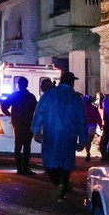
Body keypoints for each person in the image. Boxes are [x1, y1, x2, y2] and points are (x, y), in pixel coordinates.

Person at [31, 71, 87, 200]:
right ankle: (61, 191)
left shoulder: (49, 95)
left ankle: (58, 184)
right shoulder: (76, 99)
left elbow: (39, 113)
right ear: (72, 83)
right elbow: (82, 120)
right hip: (70, 135)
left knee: (49, 161)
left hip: (51, 133)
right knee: (67, 163)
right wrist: (82, 139)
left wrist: (36, 131)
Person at [1, 76, 37, 175]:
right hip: (28, 123)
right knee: (27, 147)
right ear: (27, 85)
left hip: (17, 123)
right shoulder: (31, 97)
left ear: (18, 85)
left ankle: (19, 169)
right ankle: (26, 168)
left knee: (18, 146)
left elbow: (4, 106)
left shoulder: (14, 96)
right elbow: (36, 109)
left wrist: (10, 115)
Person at [83, 94, 103, 160]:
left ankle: (87, 152)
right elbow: (98, 117)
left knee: (87, 141)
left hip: (86, 125)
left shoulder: (83, 108)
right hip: (92, 125)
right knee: (89, 140)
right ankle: (88, 152)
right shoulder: (93, 108)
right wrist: (100, 125)